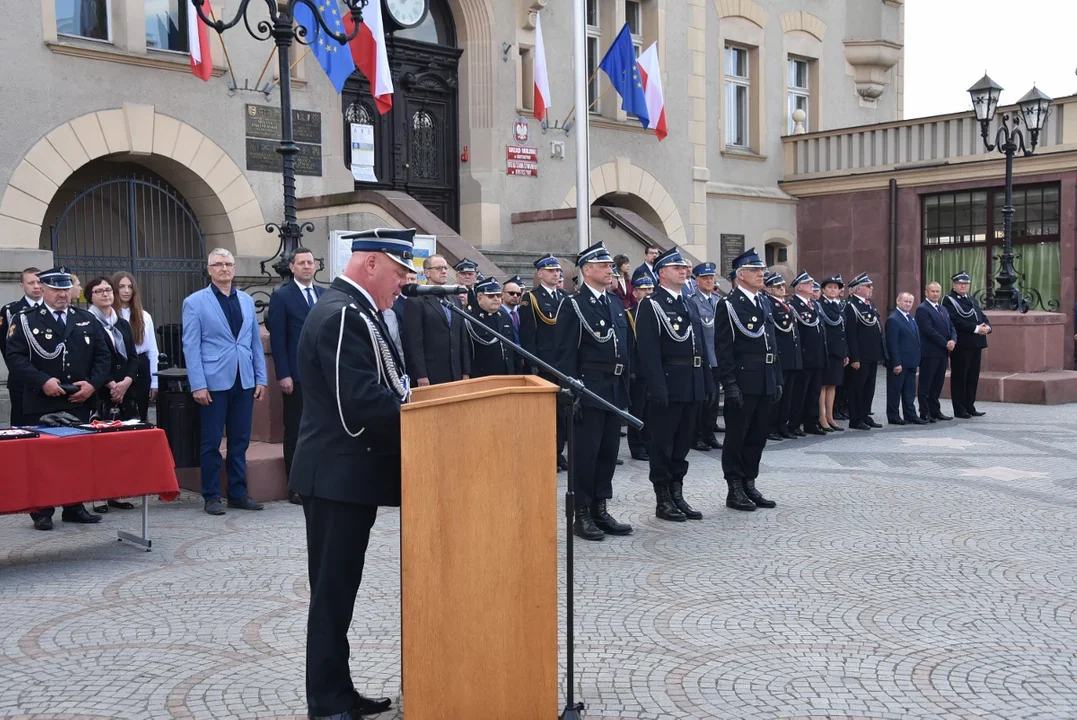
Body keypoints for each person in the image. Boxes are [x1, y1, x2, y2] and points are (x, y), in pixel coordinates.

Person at [289, 228, 412, 720]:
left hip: (347, 477)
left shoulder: (356, 310)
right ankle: (327, 702)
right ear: (372, 264)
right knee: (332, 595)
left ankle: (338, 691)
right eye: (399, 272)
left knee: (339, 591)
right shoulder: (342, 314)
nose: (403, 283)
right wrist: (418, 417)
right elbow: (355, 404)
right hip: (336, 477)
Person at [5, 267, 110, 530]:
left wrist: (93, 384)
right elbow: (14, 357)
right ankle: (41, 510)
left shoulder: (85, 318)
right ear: (43, 289)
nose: (62, 294)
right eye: (55, 289)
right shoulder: (26, 319)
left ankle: (74, 505)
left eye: (65, 289)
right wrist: (43, 381)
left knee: (76, 458)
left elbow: (103, 356)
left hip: (78, 400)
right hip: (41, 401)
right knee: (43, 460)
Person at [552, 243, 633, 541]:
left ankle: (601, 507)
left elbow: (624, 349)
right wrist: (570, 393)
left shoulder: (614, 303)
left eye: (611, 264)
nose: (610, 268)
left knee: (608, 453)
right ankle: (581, 513)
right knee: (586, 455)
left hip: (614, 389)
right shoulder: (573, 304)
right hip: (589, 389)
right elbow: (563, 354)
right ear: (587, 270)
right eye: (603, 265)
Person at [182, 248, 268, 516]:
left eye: (228, 264)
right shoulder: (195, 302)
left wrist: (261, 377)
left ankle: (237, 492)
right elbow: (191, 346)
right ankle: (211, 495)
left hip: (243, 379)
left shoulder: (245, 300)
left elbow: (253, 341)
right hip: (213, 381)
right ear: (209, 270)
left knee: (240, 440)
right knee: (211, 442)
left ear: (234, 268)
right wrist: (197, 384)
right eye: (218, 264)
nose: (224, 268)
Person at [635, 248, 713, 522]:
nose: (684, 271)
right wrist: (657, 388)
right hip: (668, 383)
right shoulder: (651, 304)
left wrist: (705, 382)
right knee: (663, 444)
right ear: (662, 273)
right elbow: (649, 351)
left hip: (691, 383)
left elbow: (699, 346)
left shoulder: (689, 303)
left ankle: (677, 492)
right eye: (677, 267)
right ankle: (663, 498)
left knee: (682, 444)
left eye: (685, 267)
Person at [714, 249, 782, 511]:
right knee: (737, 436)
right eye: (755, 270)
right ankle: (734, 487)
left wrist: (776, 378)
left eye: (761, 270)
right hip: (743, 380)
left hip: (764, 379)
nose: (760, 274)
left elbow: (772, 344)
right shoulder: (729, 305)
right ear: (741, 275)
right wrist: (729, 384)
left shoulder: (764, 302)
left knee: (758, 435)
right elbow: (724, 348)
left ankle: (749, 482)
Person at [267, 248, 325, 505]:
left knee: (322, 429)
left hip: (323, 376)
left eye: (310, 262)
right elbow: (278, 340)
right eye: (301, 263)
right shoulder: (282, 296)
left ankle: (319, 480)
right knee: (296, 431)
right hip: (296, 376)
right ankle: (296, 485)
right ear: (291, 267)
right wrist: (284, 375)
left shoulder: (324, 294)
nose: (306, 266)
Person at [520, 253, 568, 470]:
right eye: (550, 271)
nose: (555, 274)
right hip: (545, 364)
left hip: (564, 364)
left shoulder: (566, 297)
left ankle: (560, 452)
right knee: (549, 414)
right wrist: (533, 364)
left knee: (564, 412)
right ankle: (549, 453)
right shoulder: (531, 298)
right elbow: (529, 335)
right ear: (540, 274)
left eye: (557, 270)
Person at [402, 255, 470, 387]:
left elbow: (462, 337)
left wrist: (465, 371)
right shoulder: (416, 300)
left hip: (455, 372)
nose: (444, 271)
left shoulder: (454, 299)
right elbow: (413, 342)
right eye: (439, 268)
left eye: (445, 268)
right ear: (427, 273)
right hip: (431, 373)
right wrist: (420, 374)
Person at [113, 271, 159, 424]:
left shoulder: (144, 316)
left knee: (139, 417)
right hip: (117, 367)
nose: (126, 291)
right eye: (121, 286)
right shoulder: (109, 315)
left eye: (130, 286)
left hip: (140, 368)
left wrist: (155, 382)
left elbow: (152, 350)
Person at [944, 271, 991, 418]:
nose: (963, 286)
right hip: (963, 344)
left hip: (976, 343)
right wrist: (977, 329)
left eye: (966, 284)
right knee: (960, 377)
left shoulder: (971, 298)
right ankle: (959, 409)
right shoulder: (949, 300)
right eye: (960, 283)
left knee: (972, 377)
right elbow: (956, 320)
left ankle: (970, 405)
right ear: (954, 285)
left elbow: (981, 315)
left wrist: (988, 327)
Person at [844, 273, 887, 431]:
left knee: (869, 387)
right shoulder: (851, 306)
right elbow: (851, 334)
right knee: (857, 388)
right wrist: (854, 357)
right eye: (868, 286)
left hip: (872, 354)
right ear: (858, 289)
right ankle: (855, 418)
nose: (871, 288)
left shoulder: (869, 304)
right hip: (860, 356)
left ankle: (864, 414)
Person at [1, 267, 44, 426]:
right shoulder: (10, 311)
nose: (36, 286)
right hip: (22, 381)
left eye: (39, 282)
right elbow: (6, 348)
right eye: (31, 282)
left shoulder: (53, 309)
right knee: (22, 426)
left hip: (50, 379)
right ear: (22, 285)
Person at [687, 262, 721, 452]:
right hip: (703, 357)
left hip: (717, 358)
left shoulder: (717, 300)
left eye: (711, 277)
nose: (709, 281)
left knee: (714, 400)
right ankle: (696, 436)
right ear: (697, 280)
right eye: (705, 278)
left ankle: (709, 433)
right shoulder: (692, 301)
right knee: (702, 400)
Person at [788, 271, 826, 436]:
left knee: (814, 392)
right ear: (800, 287)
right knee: (800, 393)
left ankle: (811, 422)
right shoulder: (794, 305)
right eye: (809, 284)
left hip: (817, 355)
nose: (812, 286)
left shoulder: (814, 304)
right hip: (804, 356)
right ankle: (795, 423)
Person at [765, 272, 801, 440]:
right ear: (769, 289)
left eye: (782, 286)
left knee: (788, 395)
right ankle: (771, 427)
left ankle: (782, 425)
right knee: (778, 395)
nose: (781, 289)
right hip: (781, 356)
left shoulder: (786, 305)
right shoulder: (770, 304)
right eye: (777, 286)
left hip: (791, 356)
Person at [915, 281, 957, 423]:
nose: (935, 294)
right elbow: (929, 331)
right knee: (926, 384)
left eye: (937, 291)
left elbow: (951, 327)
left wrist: (953, 340)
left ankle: (935, 410)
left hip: (943, 353)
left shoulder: (943, 308)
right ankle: (924, 412)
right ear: (926, 292)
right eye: (932, 291)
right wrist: (945, 343)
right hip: (930, 353)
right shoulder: (922, 309)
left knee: (937, 383)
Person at [885, 291, 926, 425]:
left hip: (911, 362)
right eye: (905, 301)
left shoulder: (910, 318)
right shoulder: (893, 319)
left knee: (909, 391)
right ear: (898, 301)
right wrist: (896, 363)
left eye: (910, 302)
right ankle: (893, 416)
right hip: (899, 363)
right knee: (895, 391)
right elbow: (892, 344)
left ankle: (910, 415)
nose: (908, 304)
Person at [625, 270, 653, 461]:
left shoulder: (656, 312)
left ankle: (649, 442)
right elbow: (628, 345)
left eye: (651, 289)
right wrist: (632, 369)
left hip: (653, 370)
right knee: (638, 409)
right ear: (635, 293)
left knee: (652, 411)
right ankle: (637, 446)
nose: (648, 293)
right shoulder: (629, 314)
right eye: (644, 290)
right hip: (638, 370)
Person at [466, 277, 518, 378]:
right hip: (483, 375)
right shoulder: (470, 319)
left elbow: (512, 347)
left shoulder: (504, 317)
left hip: (507, 373)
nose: (496, 299)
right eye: (491, 296)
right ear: (479, 297)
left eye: (498, 295)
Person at [818, 276, 848, 432]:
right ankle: (821, 417)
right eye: (829, 287)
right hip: (827, 351)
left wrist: (845, 352)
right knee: (823, 385)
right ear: (823, 290)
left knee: (833, 385)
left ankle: (830, 416)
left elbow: (843, 331)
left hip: (838, 351)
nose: (833, 290)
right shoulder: (820, 305)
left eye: (836, 288)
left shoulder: (840, 306)